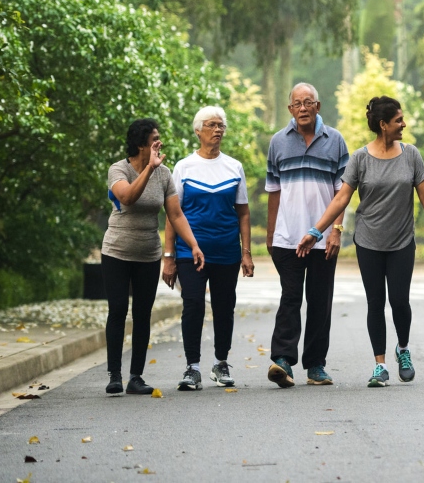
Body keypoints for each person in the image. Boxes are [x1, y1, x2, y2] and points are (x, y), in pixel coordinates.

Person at [296, 96, 424, 387]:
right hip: (368, 242)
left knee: (399, 301)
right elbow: (341, 198)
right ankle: (380, 365)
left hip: (402, 241)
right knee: (375, 303)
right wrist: (317, 231)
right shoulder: (360, 159)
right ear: (383, 124)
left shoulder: (411, 154)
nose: (403, 124)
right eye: (398, 120)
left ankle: (403, 348)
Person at [102, 118, 204, 395]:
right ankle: (115, 375)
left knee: (142, 314)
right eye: (154, 139)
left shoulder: (164, 174)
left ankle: (136, 377)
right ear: (140, 144)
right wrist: (149, 168)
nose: (159, 142)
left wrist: (193, 245)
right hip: (117, 253)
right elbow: (127, 198)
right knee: (118, 310)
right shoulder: (118, 170)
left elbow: (176, 214)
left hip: (148, 254)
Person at [162, 106, 253, 391]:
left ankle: (221, 362)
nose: (217, 130)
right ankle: (192, 366)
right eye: (212, 125)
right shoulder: (183, 167)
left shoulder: (234, 167)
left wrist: (246, 253)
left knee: (225, 307)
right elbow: (172, 214)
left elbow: (244, 213)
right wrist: (169, 256)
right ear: (198, 131)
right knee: (193, 305)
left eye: (221, 125)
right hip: (190, 251)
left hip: (226, 251)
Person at [264, 83, 349, 389]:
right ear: (290, 109)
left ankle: (316, 365)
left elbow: (344, 191)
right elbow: (274, 192)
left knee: (319, 301)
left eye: (308, 102)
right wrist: (271, 234)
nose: (302, 108)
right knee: (290, 297)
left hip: (324, 240)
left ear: (318, 106)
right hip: (287, 238)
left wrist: (336, 230)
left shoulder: (336, 141)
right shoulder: (278, 143)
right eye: (297, 103)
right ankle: (283, 360)